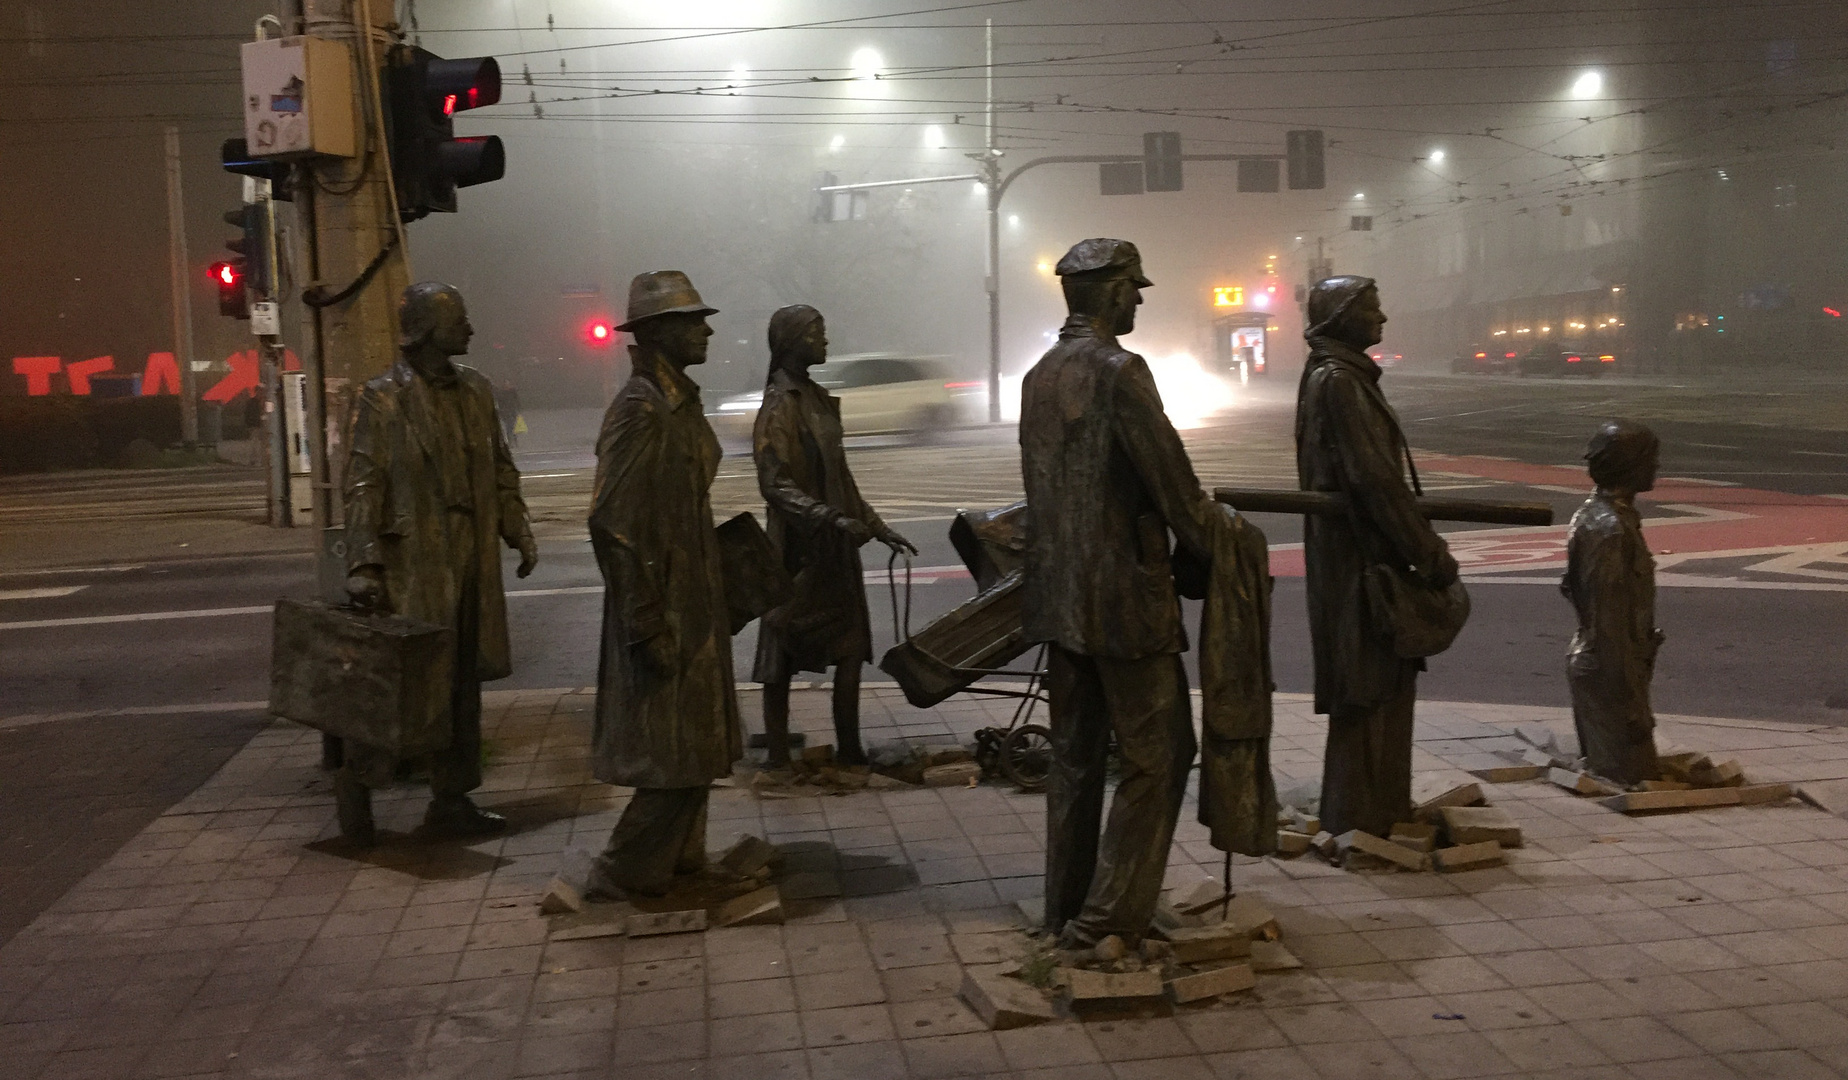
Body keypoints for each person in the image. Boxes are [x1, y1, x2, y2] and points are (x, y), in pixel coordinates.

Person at [1018, 238, 1212, 947]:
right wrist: (1218, 544)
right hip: (1124, 604)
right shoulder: (1120, 372)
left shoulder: (1039, 374)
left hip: (1060, 600)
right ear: (1105, 291)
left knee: (1073, 757)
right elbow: (1175, 486)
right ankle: (1111, 918)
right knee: (1160, 752)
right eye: (1133, 286)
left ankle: (1064, 909)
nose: (1137, 298)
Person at [338, 281, 539, 845]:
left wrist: (516, 527)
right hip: (414, 560)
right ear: (427, 328)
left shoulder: (476, 391)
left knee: (462, 684)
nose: (471, 329)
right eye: (461, 320)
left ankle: (452, 800)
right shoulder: (382, 397)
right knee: (403, 685)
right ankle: (357, 785)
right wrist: (364, 562)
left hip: (470, 556)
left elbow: (501, 468)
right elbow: (362, 484)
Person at [585, 271, 743, 898]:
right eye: (692, 320)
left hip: (693, 588)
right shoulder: (640, 408)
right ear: (657, 332)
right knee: (671, 749)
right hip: (661, 600)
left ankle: (682, 860)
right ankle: (622, 872)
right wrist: (646, 621)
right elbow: (612, 523)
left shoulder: (680, 399)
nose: (706, 329)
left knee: (696, 742)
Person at [1295, 276, 1458, 839]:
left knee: (1373, 687)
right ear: (1341, 316)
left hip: (1357, 559)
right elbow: (1375, 480)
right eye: (1371, 308)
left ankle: (1372, 807)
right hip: (1363, 563)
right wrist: (1428, 551)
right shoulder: (1340, 382)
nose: (1383, 318)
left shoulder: (1337, 375)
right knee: (1369, 686)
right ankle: (1366, 814)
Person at [752, 305, 915, 768]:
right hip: (798, 550)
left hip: (836, 547)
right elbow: (774, 483)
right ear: (792, 341)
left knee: (849, 647)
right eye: (816, 332)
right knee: (781, 652)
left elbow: (841, 477)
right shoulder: (780, 404)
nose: (825, 340)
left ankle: (850, 748)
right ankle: (779, 755)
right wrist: (825, 517)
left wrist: (877, 525)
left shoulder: (819, 399)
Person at [1562, 420, 1664, 786]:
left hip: (1613, 666)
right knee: (1628, 775)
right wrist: (1631, 699)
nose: (1656, 467)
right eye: (1650, 459)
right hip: (1609, 672)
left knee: (1624, 771)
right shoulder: (1609, 530)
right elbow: (1607, 624)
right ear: (1630, 465)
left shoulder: (1603, 517)